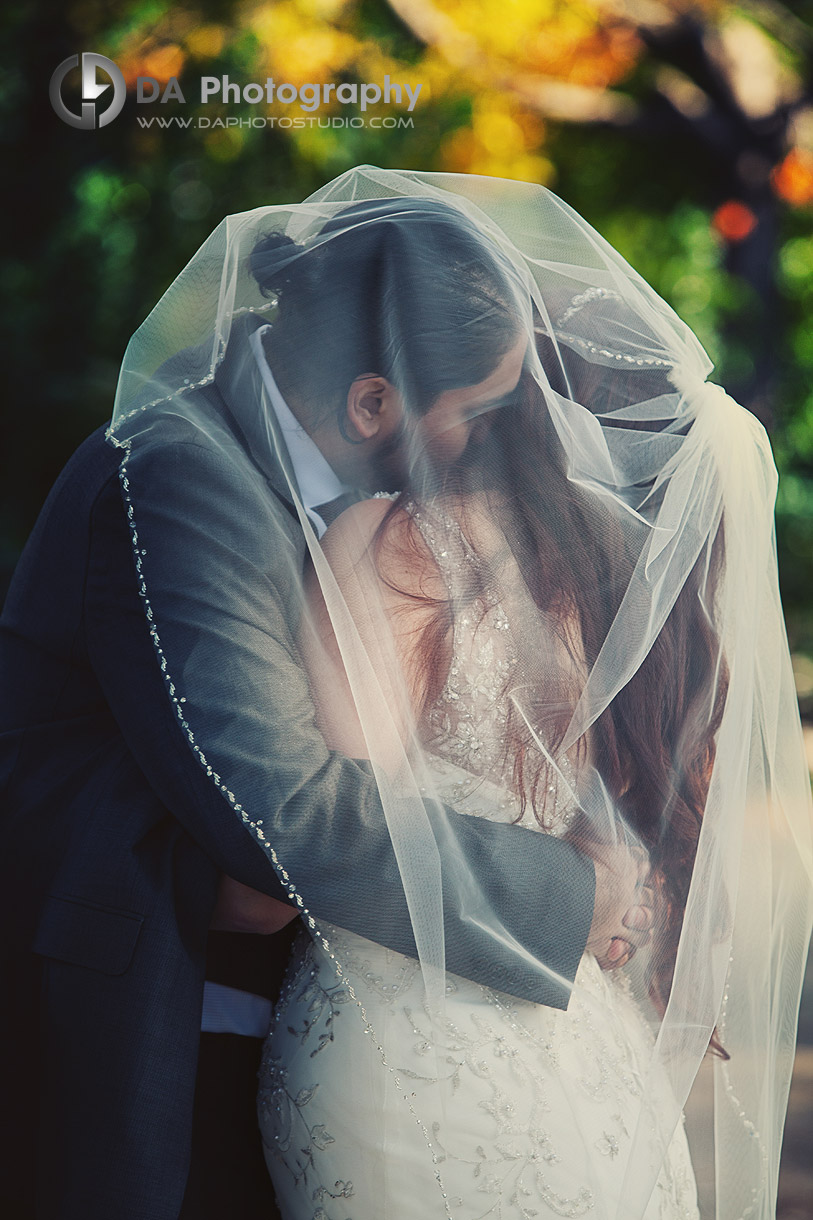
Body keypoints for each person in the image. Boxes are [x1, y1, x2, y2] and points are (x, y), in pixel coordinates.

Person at [0, 179, 651, 1220]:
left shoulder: (313, 484)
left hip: (272, 1003)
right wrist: (567, 893)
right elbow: (282, 815)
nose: (485, 439)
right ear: (372, 404)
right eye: (475, 410)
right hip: (139, 1010)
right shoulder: (181, 475)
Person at [171, 168, 810, 1219]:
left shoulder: (388, 541)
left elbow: (297, 861)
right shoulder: (594, 577)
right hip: (584, 1055)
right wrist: (596, 888)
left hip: (403, 1051)